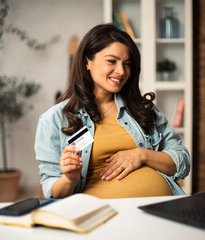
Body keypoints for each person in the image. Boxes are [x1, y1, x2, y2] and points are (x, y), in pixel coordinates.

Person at [35, 23, 190, 199]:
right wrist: (70, 179)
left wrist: (141, 155)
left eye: (127, 64)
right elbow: (51, 191)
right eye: (111, 61)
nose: (121, 71)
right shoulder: (54, 119)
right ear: (87, 61)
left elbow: (182, 161)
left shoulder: (143, 110)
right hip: (103, 217)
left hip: (163, 208)